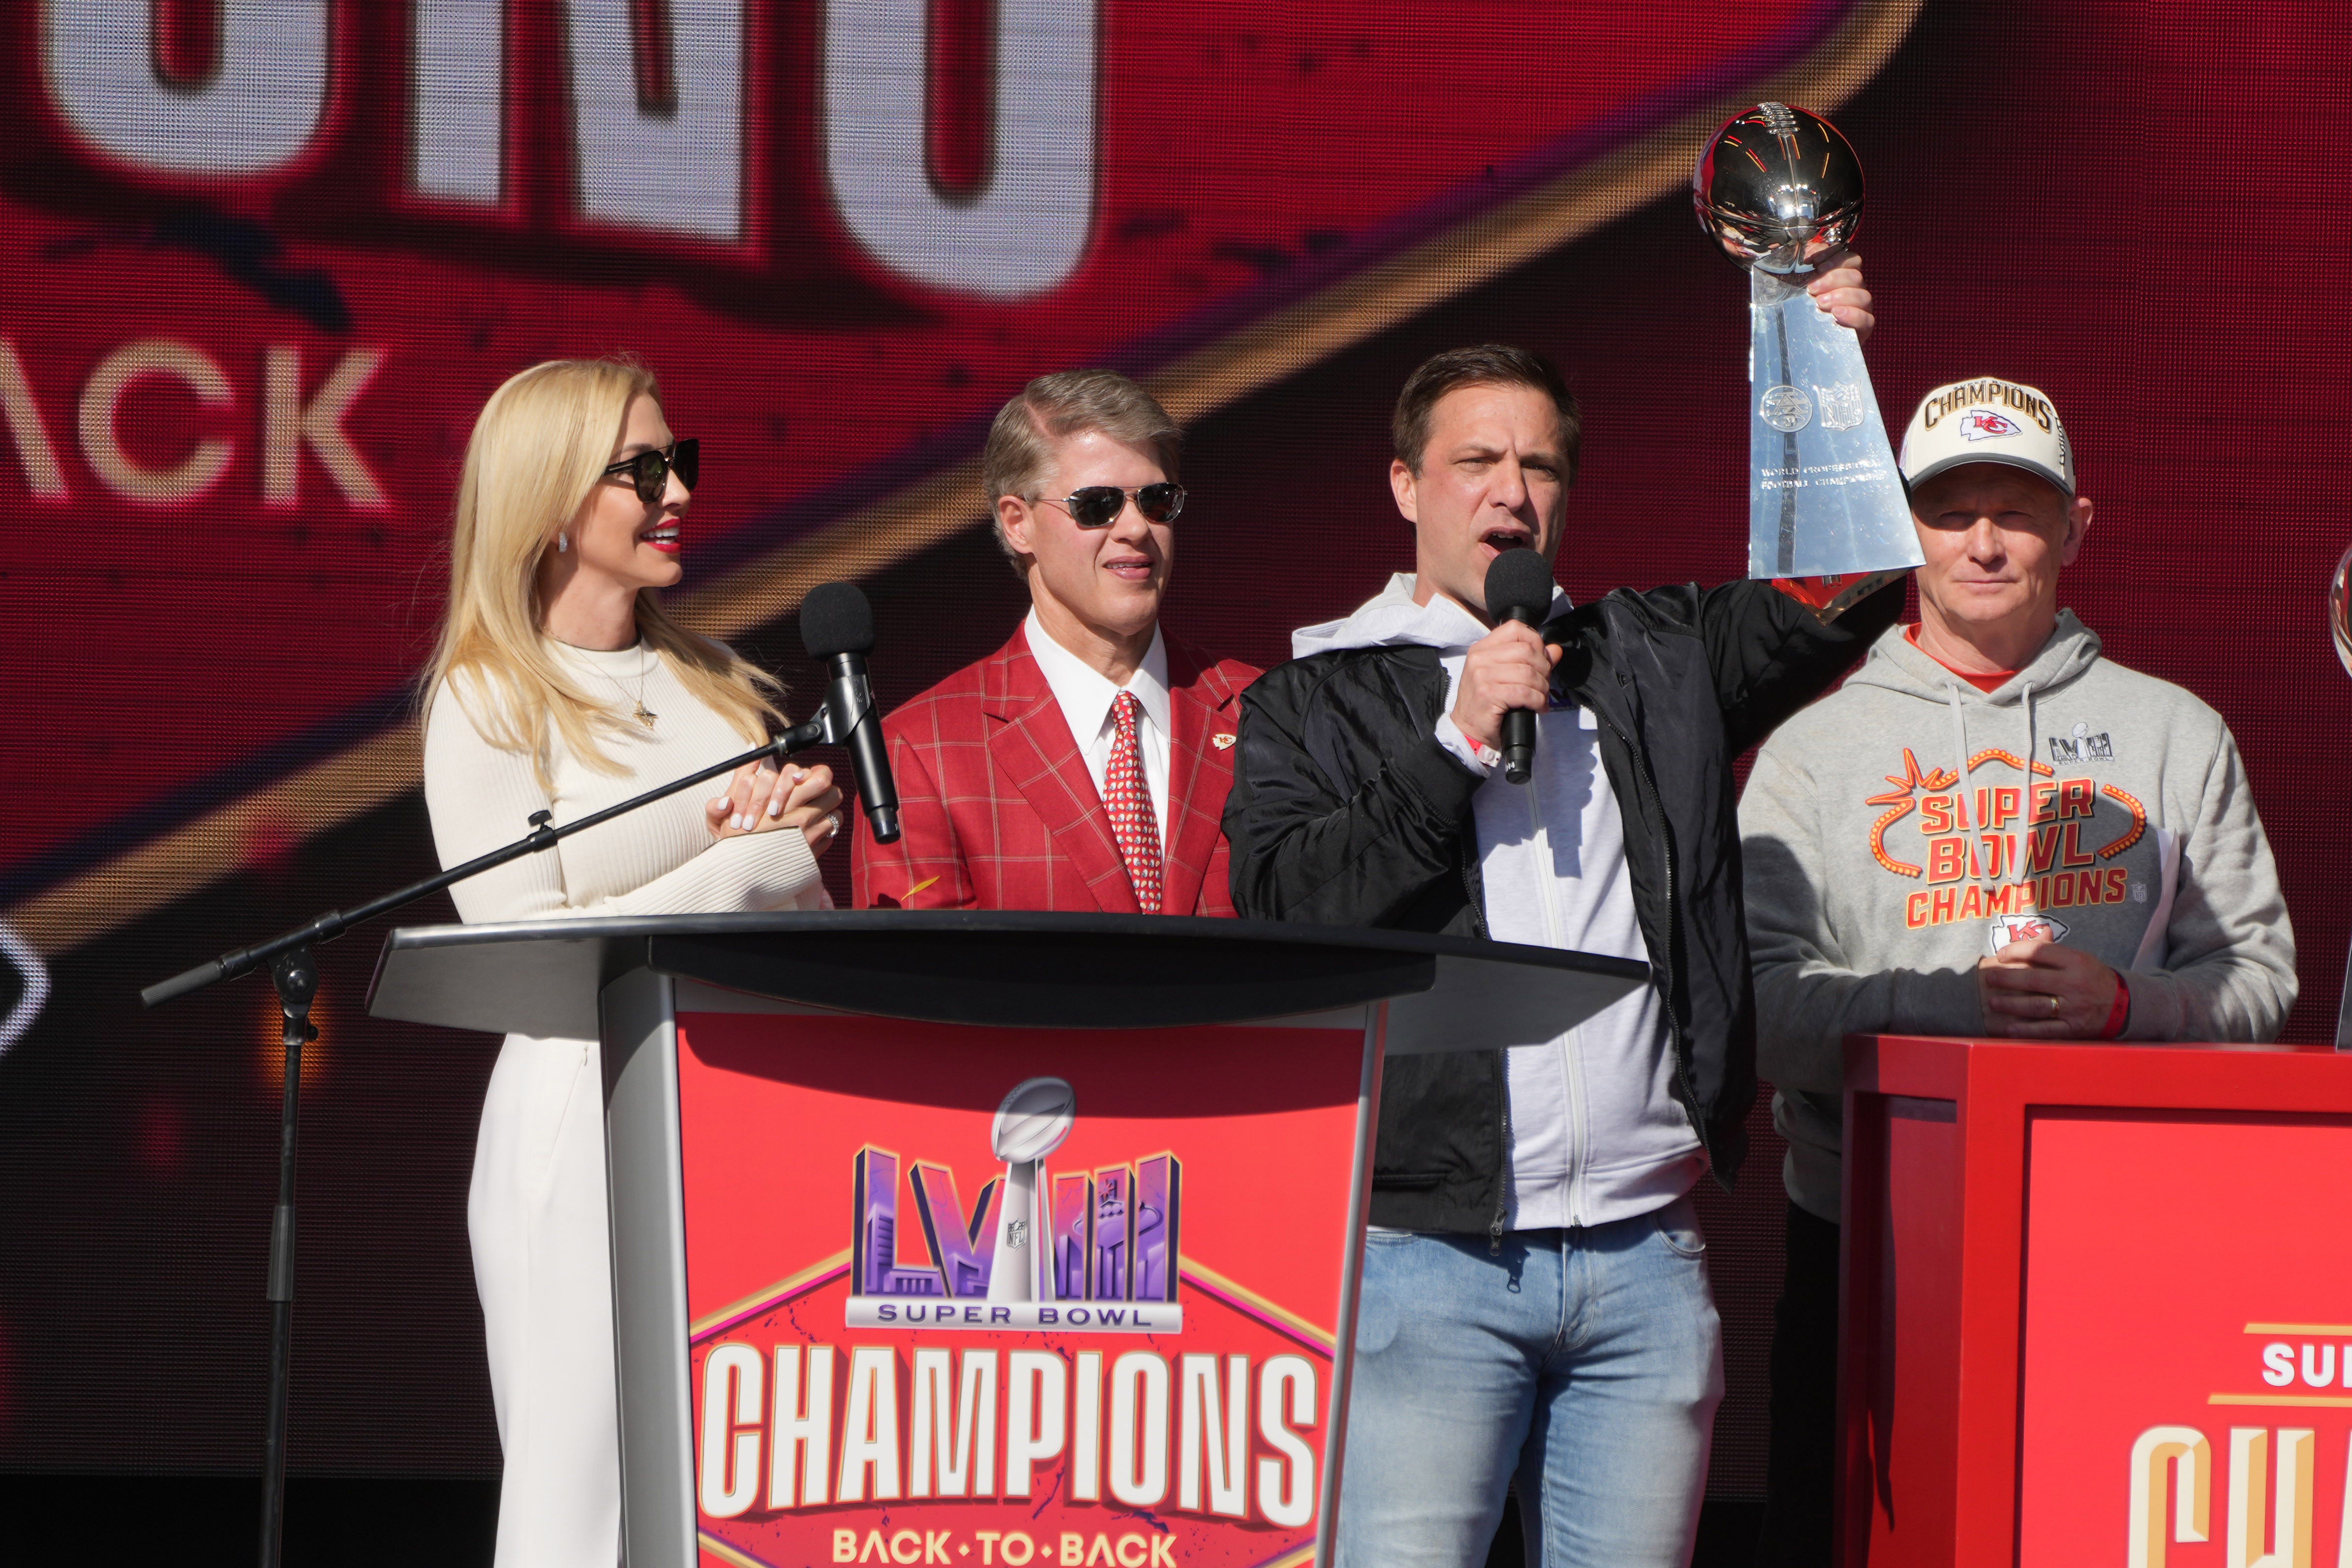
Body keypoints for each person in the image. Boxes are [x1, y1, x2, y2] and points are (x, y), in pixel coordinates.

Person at [1223, 289, 1896, 1563]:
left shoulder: (1649, 654)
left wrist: (1815, 361)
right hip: (1423, 1260)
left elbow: (1848, 585)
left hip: (1642, 1258)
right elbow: (1290, 910)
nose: (1509, 493)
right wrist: (1452, 744)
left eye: (1538, 464)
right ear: (1402, 486)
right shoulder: (1309, 693)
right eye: (1474, 462)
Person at [1737, 375, 2298, 1563]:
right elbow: (1763, 1017)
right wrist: (1957, 1012)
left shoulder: (2170, 731)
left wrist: (2124, 1006)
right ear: (1903, 533)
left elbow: (2261, 981)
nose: (1983, 543)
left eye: (2017, 510)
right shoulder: (1809, 750)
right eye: (1949, 512)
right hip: (1867, 1256)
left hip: (2119, 1246)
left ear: (2074, 526)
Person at [420, 358, 842, 1568]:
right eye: (641, 470)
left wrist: (775, 849)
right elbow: (519, 945)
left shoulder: (718, 684)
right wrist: (742, 857)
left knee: (738, 1487)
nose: (677, 495)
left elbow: (791, 897)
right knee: (580, 1495)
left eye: (680, 463)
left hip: (742, 1102)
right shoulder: (489, 695)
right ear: (551, 499)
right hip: (583, 1110)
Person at [851, 369, 1258, 915]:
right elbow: (922, 989)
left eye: (1157, 501)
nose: (1136, 528)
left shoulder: (1264, 711)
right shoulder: (920, 752)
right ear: (1017, 524)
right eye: (1098, 504)